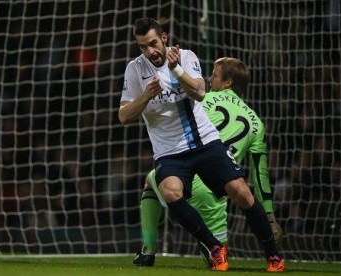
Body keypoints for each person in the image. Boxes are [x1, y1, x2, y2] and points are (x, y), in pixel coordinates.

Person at [118, 17, 285, 272]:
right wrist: (145, 96)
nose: (149, 51)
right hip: (169, 152)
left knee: (241, 192)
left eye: (152, 43)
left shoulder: (185, 57)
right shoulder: (135, 69)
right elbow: (124, 116)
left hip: (204, 142)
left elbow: (199, 91)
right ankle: (214, 246)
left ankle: (273, 255)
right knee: (169, 190)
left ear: (163, 39)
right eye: (142, 46)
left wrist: (176, 70)